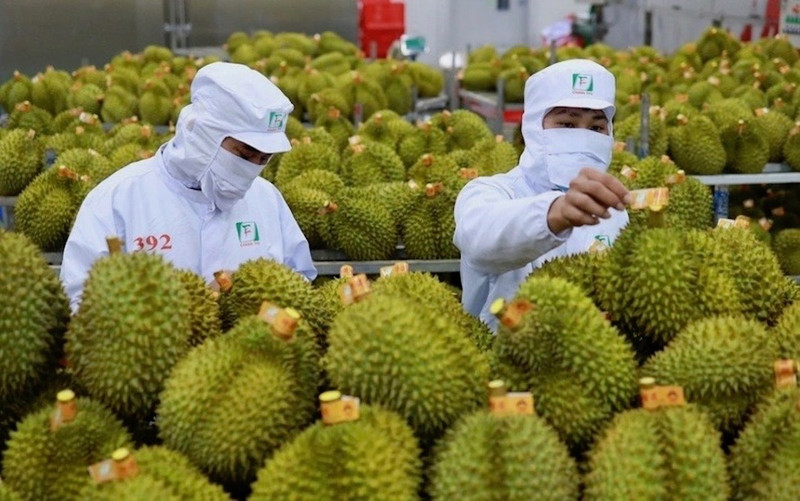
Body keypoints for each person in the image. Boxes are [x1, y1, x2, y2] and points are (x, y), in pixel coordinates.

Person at [60, 62, 317, 311]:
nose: (252, 167)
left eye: (264, 159)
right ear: (202, 134)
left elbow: (299, 285)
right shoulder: (116, 200)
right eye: (244, 153)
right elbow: (79, 302)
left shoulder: (267, 199)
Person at [454, 59, 631, 330]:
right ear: (534, 127)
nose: (583, 138)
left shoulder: (614, 211)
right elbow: (480, 238)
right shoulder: (490, 192)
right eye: (567, 125)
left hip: (590, 359)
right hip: (501, 361)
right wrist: (553, 214)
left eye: (596, 128)